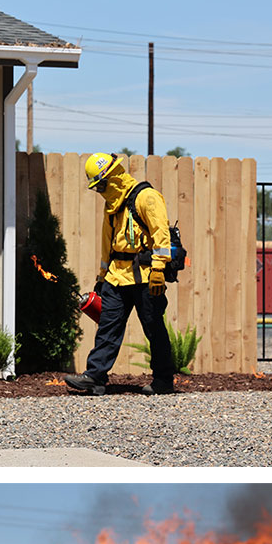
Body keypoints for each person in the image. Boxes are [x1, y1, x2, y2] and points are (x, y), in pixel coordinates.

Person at [64, 153, 177, 396]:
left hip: (146, 276)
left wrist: (158, 269)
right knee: (108, 326)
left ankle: (164, 380)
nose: (100, 192)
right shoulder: (112, 206)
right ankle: (94, 377)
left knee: (154, 328)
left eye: (101, 186)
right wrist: (102, 277)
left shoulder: (147, 197)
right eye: (97, 188)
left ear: (113, 178)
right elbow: (108, 245)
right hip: (116, 276)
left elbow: (161, 235)